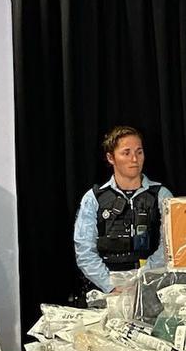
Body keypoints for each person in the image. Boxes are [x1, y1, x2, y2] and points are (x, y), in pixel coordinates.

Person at [73, 125, 174, 295]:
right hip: (106, 288)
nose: (134, 159)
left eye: (139, 152)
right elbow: (84, 251)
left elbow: (170, 246)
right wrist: (110, 286)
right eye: (126, 153)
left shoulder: (162, 195)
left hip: (151, 284)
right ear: (110, 158)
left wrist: (143, 280)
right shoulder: (93, 198)